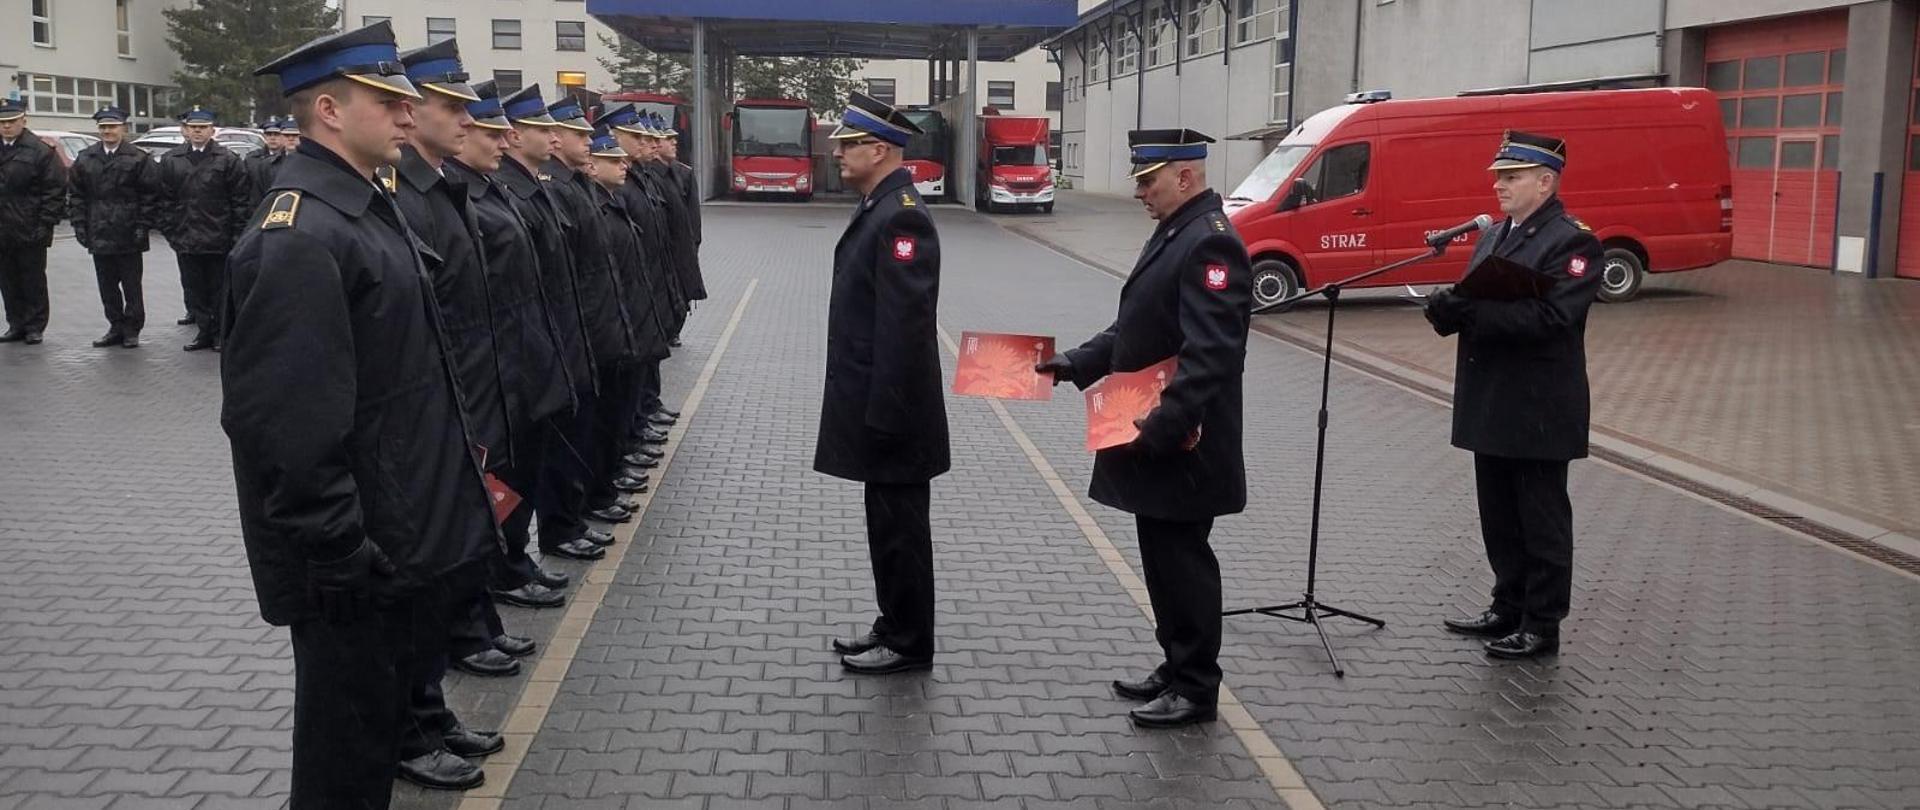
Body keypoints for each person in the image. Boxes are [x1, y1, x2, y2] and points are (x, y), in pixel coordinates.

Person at [221, 20, 497, 808]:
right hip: (355, 559)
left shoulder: (363, 211)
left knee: (370, 745)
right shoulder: (303, 232)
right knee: (343, 762)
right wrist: (342, 553)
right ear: (331, 112)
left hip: (392, 538)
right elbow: (287, 425)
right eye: (389, 101)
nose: (409, 116)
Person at [1036, 128, 1250, 728]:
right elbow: (1138, 329)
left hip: (1183, 444)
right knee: (1161, 560)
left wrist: (1161, 429)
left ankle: (1197, 688)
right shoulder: (1176, 232)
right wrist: (1075, 363)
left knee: (1183, 563)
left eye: (1147, 181)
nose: (1139, 193)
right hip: (1158, 437)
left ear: (1185, 177)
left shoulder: (1211, 245)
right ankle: (1175, 665)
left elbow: (1211, 355)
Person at [381, 38, 510, 791]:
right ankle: (412, 727)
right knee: (419, 588)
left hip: (456, 413)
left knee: (442, 579)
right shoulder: (406, 196)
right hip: (421, 429)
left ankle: (430, 717)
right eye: (451, 107)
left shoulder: (434, 191)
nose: (464, 121)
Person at [1426, 131, 1603, 660]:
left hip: (1539, 406)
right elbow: (1476, 298)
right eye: (1498, 176)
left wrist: (1470, 312)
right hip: (1494, 398)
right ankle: (1507, 604)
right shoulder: (1496, 233)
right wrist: (1446, 310)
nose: (1499, 185)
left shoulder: (1573, 241)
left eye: (1512, 176)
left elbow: (1555, 317)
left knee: (1541, 519)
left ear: (1545, 182)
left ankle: (1541, 623)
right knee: (1499, 514)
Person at [815, 92, 949, 676]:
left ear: (880, 149)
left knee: (901, 531)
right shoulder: (881, 204)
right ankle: (893, 622)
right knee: (885, 524)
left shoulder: (902, 215)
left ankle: (911, 640)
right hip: (880, 406)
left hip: (894, 410)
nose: (836, 152)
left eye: (847, 144)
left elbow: (905, 329)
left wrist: (887, 414)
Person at [493, 85, 611, 563]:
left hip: (560, 338)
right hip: (530, 351)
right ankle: (518, 558)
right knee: (526, 464)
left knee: (557, 449)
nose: (555, 139)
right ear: (515, 136)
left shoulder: (541, 186)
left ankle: (556, 531)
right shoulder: (516, 190)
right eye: (543, 129)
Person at [544, 96, 653, 519]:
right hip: (582, 333)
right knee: (574, 438)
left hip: (603, 328)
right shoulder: (558, 191)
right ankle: (568, 520)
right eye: (581, 134)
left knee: (599, 425)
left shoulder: (576, 188)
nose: (589, 141)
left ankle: (592, 499)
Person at [156, 105, 250, 351]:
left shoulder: (228, 160)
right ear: (185, 130)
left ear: (212, 130)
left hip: (218, 236)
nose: (198, 132)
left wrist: (236, 236)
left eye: (203, 128)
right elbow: (164, 200)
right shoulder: (171, 160)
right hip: (186, 237)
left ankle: (220, 333)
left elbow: (240, 201)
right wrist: (172, 231)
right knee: (193, 288)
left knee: (219, 289)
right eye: (193, 127)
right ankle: (204, 332)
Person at [68, 106, 157, 349]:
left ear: (123, 128)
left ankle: (132, 329)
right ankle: (115, 326)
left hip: (128, 231)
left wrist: (143, 225)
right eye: (103, 127)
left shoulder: (139, 158)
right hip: (99, 230)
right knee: (106, 285)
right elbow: (76, 195)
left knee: (131, 285)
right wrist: (79, 224)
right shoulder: (86, 157)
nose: (107, 131)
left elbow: (149, 196)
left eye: (112, 126)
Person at [0, 98, 66, 346]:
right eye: (2, 122)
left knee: (32, 279)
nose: (6, 127)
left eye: (11, 122)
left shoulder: (39, 151)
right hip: (2, 228)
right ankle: (15, 323)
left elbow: (54, 190)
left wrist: (44, 224)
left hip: (30, 226)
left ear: (23, 121)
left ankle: (35, 326)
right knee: (7, 279)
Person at [244, 116, 291, 204]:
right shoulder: (252, 159)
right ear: (264, 136)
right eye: (269, 134)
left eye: (276, 134)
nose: (272, 138)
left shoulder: (289, 159)